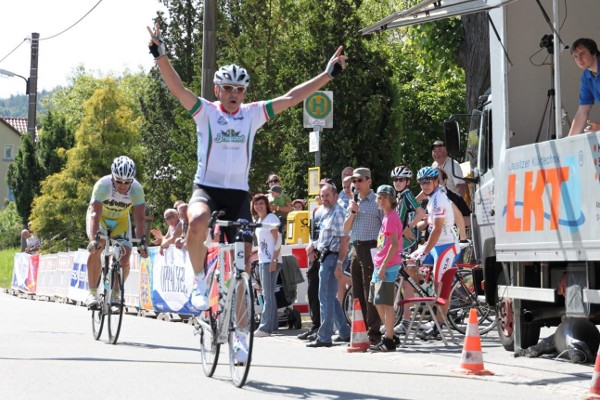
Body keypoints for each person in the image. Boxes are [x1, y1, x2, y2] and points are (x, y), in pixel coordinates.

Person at [148, 23, 346, 311]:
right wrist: (160, 54)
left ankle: (240, 329)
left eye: (239, 89)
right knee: (198, 220)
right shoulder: (205, 111)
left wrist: (326, 75)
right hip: (207, 188)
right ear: (217, 90)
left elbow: (291, 97)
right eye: (227, 88)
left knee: (242, 261)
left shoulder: (252, 114)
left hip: (238, 193)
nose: (233, 93)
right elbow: (178, 88)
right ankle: (200, 280)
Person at [85, 156, 148, 308]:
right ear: (112, 176)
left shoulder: (137, 190)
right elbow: (95, 214)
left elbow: (139, 219)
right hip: (100, 219)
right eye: (119, 181)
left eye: (127, 182)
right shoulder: (102, 185)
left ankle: (116, 293)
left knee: (125, 255)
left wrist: (142, 243)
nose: (123, 185)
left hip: (121, 221)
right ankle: (92, 293)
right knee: (98, 247)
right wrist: (94, 240)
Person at [411, 166, 459, 340]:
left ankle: (439, 326)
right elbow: (430, 223)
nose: (425, 185)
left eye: (428, 182)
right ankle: (429, 299)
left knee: (441, 287)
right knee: (409, 265)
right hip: (435, 245)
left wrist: (425, 251)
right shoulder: (431, 198)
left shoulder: (439, 199)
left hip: (446, 246)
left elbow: (438, 230)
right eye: (422, 182)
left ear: (436, 182)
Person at [305, 180, 351, 347]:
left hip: (333, 256)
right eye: (322, 196)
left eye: (327, 196)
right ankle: (345, 332)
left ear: (336, 196)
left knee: (324, 297)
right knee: (330, 297)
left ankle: (324, 337)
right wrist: (313, 246)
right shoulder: (326, 211)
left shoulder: (338, 212)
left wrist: (340, 262)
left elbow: (344, 239)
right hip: (327, 255)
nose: (324, 199)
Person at [343, 167, 384, 345]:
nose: (356, 184)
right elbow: (345, 229)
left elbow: (386, 226)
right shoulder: (353, 201)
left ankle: (374, 332)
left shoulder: (377, 201)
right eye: (354, 181)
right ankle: (361, 330)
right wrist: (352, 212)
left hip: (371, 247)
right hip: (356, 248)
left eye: (360, 180)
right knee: (357, 292)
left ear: (369, 181)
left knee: (370, 291)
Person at [390, 166, 427, 335]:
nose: (398, 183)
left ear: (407, 182)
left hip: (407, 244)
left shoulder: (407, 195)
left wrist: (408, 227)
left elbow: (421, 212)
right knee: (409, 280)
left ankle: (407, 320)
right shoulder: (398, 196)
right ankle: (410, 318)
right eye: (395, 180)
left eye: (401, 180)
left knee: (406, 281)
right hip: (400, 242)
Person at [369, 185, 402, 352]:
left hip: (387, 265)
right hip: (380, 263)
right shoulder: (386, 217)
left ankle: (389, 339)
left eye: (385, 197)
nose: (381, 200)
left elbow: (394, 245)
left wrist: (383, 265)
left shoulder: (391, 218)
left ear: (392, 200)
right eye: (379, 197)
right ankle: (391, 333)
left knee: (386, 303)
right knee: (377, 301)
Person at [251, 194, 282, 337]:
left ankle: (265, 328)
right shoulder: (258, 220)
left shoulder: (271, 219)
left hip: (270, 260)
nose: (259, 206)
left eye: (261, 204)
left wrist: (274, 260)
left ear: (267, 205)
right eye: (256, 204)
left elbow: (278, 240)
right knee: (269, 294)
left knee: (267, 295)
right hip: (263, 260)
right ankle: (273, 326)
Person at [568, 38, 600, 136]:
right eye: (575, 57)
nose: (579, 60)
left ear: (594, 53)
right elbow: (582, 111)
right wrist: (568, 141)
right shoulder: (586, 77)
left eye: (582, 54)